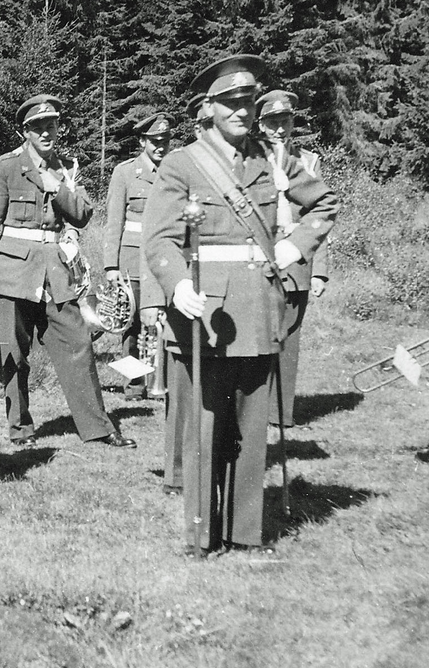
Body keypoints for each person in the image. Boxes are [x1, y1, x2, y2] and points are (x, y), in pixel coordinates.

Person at [143, 55, 336, 556]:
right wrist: (176, 282)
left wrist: (296, 248)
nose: (242, 112)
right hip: (205, 311)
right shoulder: (181, 163)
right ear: (209, 109)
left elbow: (324, 203)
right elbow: (160, 239)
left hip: (258, 307)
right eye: (230, 103)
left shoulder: (272, 160)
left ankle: (244, 532)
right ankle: (201, 532)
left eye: (247, 101)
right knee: (206, 429)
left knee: (252, 429)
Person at [0, 93, 135, 449]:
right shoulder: (6, 166)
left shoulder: (66, 168)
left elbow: (83, 214)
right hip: (13, 273)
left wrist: (57, 188)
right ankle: (20, 428)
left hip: (56, 274)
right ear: (25, 132)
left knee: (78, 343)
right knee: (14, 353)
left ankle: (98, 426)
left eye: (52, 126)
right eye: (38, 128)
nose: (46, 133)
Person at [256, 90, 330, 427]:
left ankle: (280, 413)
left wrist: (320, 272)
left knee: (289, 338)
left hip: (297, 260)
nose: (279, 129)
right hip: (258, 258)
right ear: (261, 125)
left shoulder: (309, 162)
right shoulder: (252, 158)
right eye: (272, 122)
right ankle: (254, 407)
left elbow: (320, 220)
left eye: (284, 121)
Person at [105, 113, 176, 400]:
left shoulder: (175, 171)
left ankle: (162, 382)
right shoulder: (125, 173)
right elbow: (114, 222)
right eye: (155, 141)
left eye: (166, 140)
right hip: (132, 261)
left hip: (166, 260)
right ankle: (133, 385)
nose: (161, 146)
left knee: (167, 321)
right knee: (131, 327)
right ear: (142, 141)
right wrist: (111, 266)